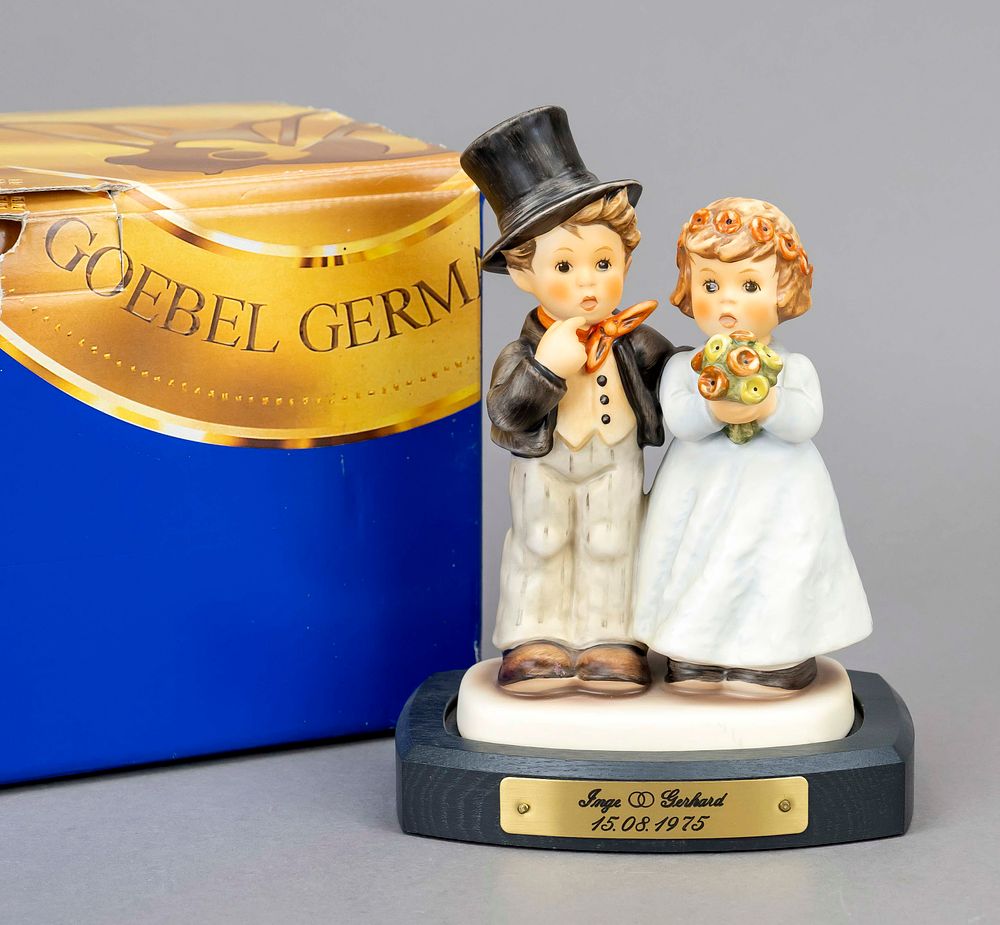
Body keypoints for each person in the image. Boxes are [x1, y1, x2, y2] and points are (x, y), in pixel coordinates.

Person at [461, 107, 680, 690]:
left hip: (615, 455)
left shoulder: (635, 340)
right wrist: (543, 370)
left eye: (604, 263)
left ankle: (611, 638)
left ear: (626, 260)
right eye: (564, 265)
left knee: (613, 539)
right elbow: (505, 413)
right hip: (545, 463)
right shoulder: (524, 350)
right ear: (523, 275)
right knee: (541, 540)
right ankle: (536, 636)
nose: (588, 281)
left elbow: (675, 377)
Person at [633, 197, 872, 690]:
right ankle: (694, 652)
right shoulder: (683, 367)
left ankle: (772, 656)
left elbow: (805, 421)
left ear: (782, 291)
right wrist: (713, 410)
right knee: (697, 561)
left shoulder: (794, 368)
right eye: (710, 285)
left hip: (777, 496)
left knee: (773, 565)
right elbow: (680, 419)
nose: (728, 302)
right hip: (701, 492)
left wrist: (769, 404)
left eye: (748, 286)